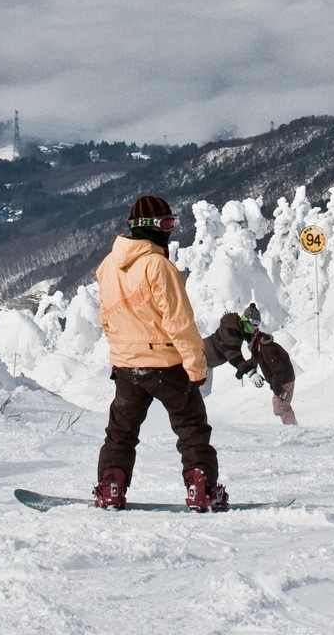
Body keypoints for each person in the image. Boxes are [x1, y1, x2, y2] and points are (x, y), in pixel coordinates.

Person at [93, 195, 226, 512]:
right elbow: (179, 322)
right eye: (167, 224)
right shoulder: (159, 266)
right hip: (166, 365)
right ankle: (201, 488)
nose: (170, 230)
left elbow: (106, 318)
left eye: (173, 223)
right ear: (148, 227)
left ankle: (111, 486)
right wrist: (196, 366)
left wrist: (121, 354)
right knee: (192, 428)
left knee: (121, 433)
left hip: (127, 367)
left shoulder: (108, 265)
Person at [206, 303, 299, 425]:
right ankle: (291, 426)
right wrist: (246, 370)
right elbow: (238, 356)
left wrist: (275, 385)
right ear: (245, 320)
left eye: (257, 324)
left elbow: (278, 369)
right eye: (253, 323)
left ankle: (292, 427)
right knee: (279, 406)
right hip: (202, 358)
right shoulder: (235, 332)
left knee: (280, 405)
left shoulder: (264, 348)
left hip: (284, 379)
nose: (255, 327)